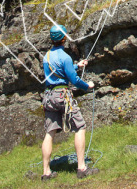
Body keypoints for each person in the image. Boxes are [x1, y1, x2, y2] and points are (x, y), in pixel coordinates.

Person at [41, 24, 98, 180]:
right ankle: (81, 168)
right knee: (80, 127)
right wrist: (87, 86)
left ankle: (46, 172)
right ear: (64, 38)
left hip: (48, 96)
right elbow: (73, 79)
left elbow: (58, 71)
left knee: (50, 132)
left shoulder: (46, 57)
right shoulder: (65, 57)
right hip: (62, 95)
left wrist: (76, 66)